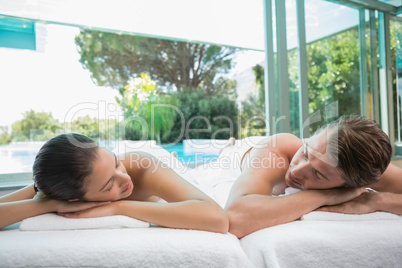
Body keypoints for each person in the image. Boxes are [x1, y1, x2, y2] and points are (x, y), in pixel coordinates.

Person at [0, 133, 228, 233]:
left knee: (213, 168)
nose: (124, 178)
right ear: (74, 199)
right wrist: (47, 205)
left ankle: (229, 148)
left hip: (160, 164)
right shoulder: (54, 186)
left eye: (116, 163)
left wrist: (117, 206)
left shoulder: (139, 167)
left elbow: (218, 219)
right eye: (109, 186)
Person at [223, 115, 402, 238]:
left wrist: (377, 201)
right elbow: (235, 217)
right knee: (227, 147)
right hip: (240, 151)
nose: (297, 171)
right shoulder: (278, 151)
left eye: (318, 174)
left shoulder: (365, 167)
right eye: (306, 153)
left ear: (348, 185)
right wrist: (327, 195)